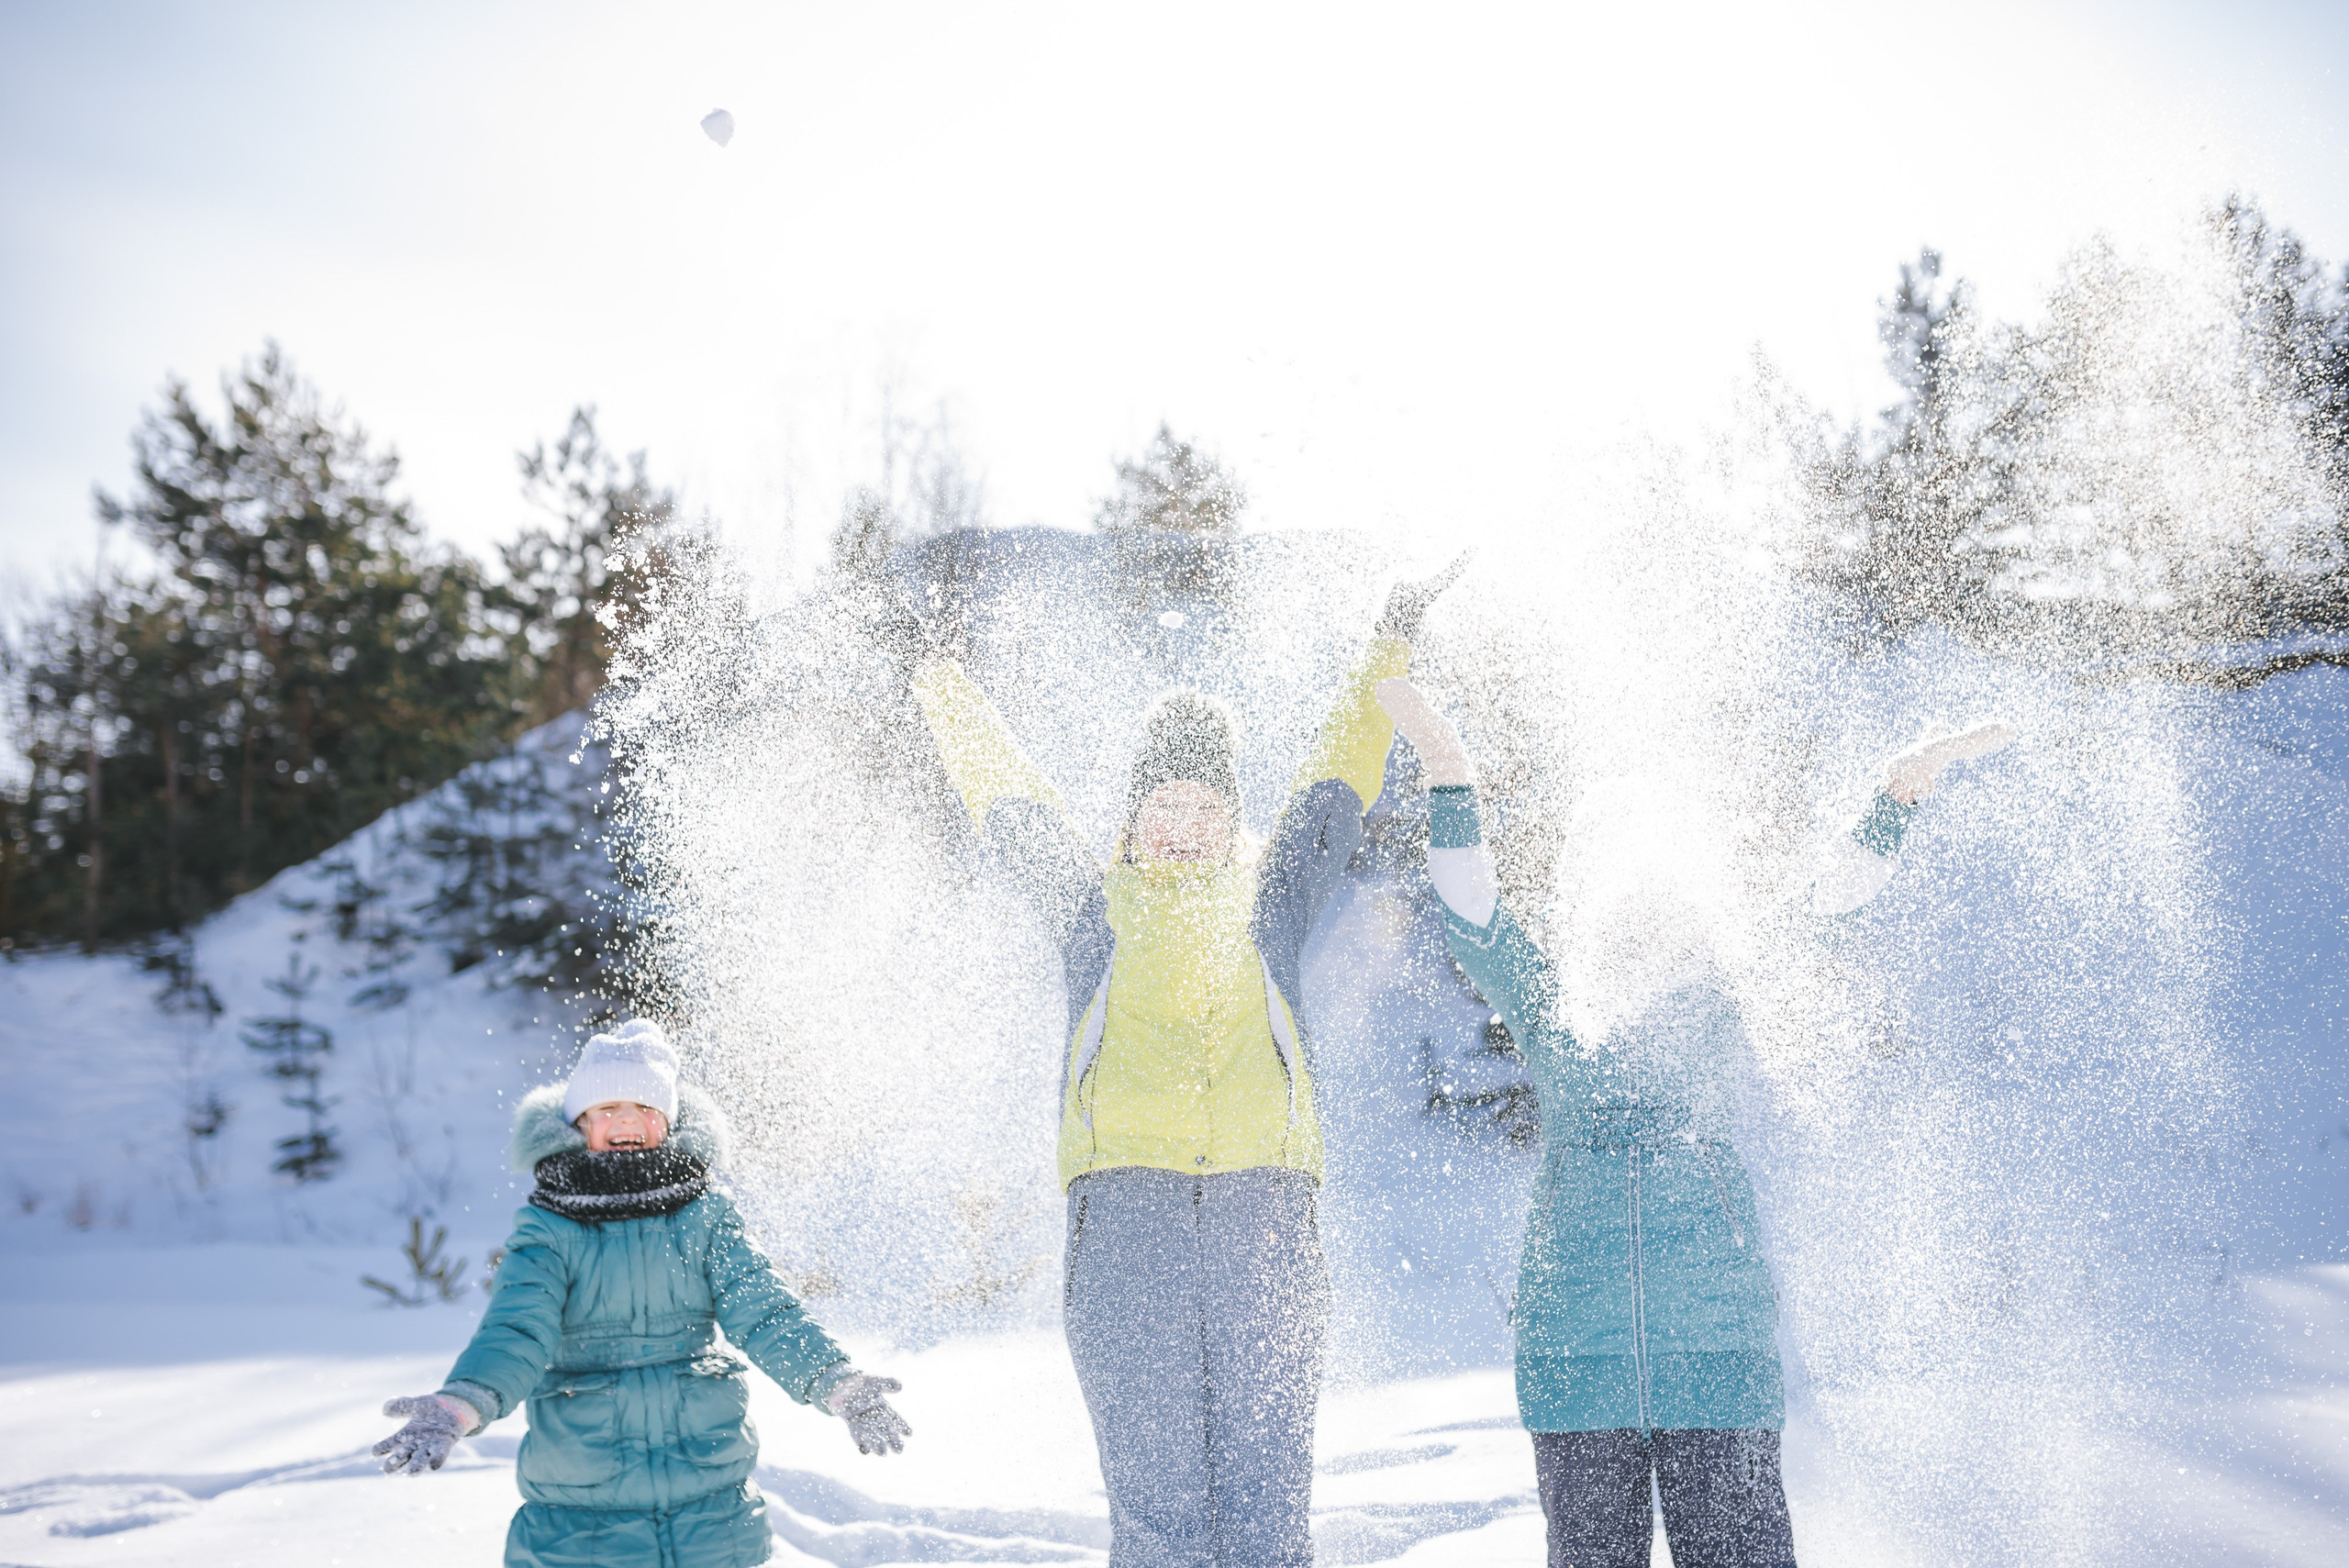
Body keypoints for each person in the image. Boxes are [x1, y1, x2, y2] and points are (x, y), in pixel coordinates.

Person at [888, 562, 1463, 1568]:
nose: (1187, 822)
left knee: (1268, 1502)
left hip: (1266, 1215)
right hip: (1126, 1219)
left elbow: (1335, 782)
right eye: (1166, 801)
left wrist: (1391, 635)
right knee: (1157, 1512)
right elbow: (1010, 796)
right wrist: (938, 675)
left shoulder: (1271, 900)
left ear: (1230, 815)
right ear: (1133, 812)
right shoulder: (1090, 906)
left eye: (1207, 804)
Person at [1375, 677, 2012, 1568]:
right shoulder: (1553, 1005)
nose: (1638, 917)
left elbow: (1829, 906)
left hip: (1718, 1356)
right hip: (1578, 1365)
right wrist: (1449, 772)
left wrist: (1894, 797)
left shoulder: (1718, 998)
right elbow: (1472, 915)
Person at [373, 1018, 910, 1568]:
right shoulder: (550, 1228)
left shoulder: (705, 1218)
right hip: (583, 1513)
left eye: (646, 1108)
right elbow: (517, 1331)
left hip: (710, 1506)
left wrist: (837, 1383)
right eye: (607, 1108)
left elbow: (767, 1313)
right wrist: (461, 1404)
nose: (627, 1119)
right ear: (579, 1124)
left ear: (669, 1124)